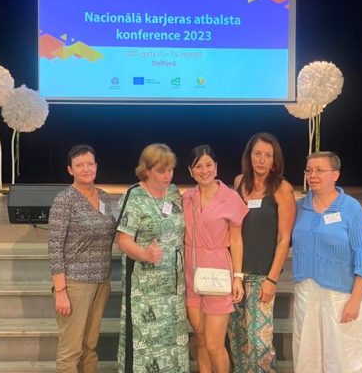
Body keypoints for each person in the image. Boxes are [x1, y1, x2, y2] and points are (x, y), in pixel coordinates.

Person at [291, 151, 362, 372]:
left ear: (335, 175)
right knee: (308, 355)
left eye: (319, 170)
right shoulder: (299, 207)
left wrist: (355, 300)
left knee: (344, 359)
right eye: (309, 170)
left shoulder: (351, 208)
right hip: (307, 294)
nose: (312, 175)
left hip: (341, 297)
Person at [116, 143, 189, 373]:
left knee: (172, 346)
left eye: (170, 170)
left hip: (174, 286)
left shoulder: (174, 192)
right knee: (145, 350)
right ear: (146, 170)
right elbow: (123, 240)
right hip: (144, 288)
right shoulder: (134, 196)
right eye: (161, 170)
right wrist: (145, 253)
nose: (168, 175)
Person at [229, 132, 296, 373]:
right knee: (238, 341)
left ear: (274, 160)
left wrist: (272, 279)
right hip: (236, 274)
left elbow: (284, 238)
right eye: (257, 154)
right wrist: (235, 275)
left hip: (262, 276)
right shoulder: (239, 182)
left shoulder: (282, 189)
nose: (261, 160)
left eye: (268, 155)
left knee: (259, 345)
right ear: (249, 156)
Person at [48, 145, 116, 373]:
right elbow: (55, 247)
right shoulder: (64, 200)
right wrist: (61, 291)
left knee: (90, 346)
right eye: (79, 165)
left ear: (96, 166)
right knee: (70, 351)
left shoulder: (104, 197)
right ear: (70, 170)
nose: (86, 169)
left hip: (101, 281)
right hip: (75, 284)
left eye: (90, 164)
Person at [183, 145, 248, 373]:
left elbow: (236, 240)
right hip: (191, 273)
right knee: (200, 338)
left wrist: (237, 277)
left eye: (208, 165)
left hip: (218, 273)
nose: (204, 170)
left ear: (216, 167)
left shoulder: (230, 197)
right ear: (190, 171)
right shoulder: (186, 198)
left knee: (214, 344)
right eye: (198, 166)